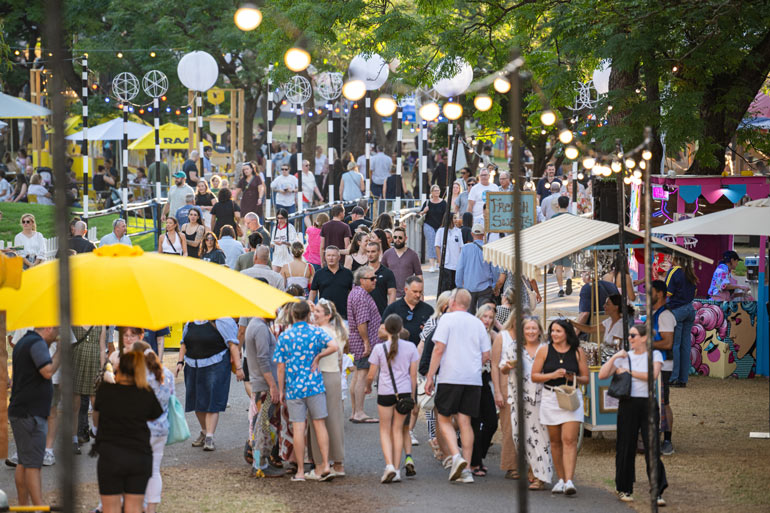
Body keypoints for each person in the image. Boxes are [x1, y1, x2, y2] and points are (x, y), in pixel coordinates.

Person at [424, 289, 491, 484]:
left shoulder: (447, 320)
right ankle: (467, 469)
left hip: (450, 376)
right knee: (465, 422)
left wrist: (430, 376)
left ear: (452, 302)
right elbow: (486, 354)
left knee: (444, 418)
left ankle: (456, 456)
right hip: (472, 378)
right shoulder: (477, 323)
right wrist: (474, 366)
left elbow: (438, 348)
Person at [598, 325, 668, 506]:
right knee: (625, 446)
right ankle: (624, 487)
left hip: (647, 404)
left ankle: (657, 491)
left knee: (652, 447)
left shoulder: (655, 355)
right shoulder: (624, 356)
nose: (629, 338)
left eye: (633, 335)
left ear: (644, 338)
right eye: (629, 335)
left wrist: (629, 372)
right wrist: (615, 357)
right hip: (628, 403)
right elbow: (602, 375)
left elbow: (652, 376)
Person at [273, 301, 338, 482]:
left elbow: (280, 366)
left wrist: (281, 389)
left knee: (298, 428)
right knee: (320, 424)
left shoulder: (285, 336)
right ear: (308, 315)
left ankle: (300, 471)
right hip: (314, 385)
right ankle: (325, 465)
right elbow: (334, 346)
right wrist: (319, 356)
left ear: (293, 315)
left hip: (294, 388)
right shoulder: (316, 331)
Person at [94, 347, 162, 513]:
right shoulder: (145, 392)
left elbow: (96, 420)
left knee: (110, 508)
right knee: (134, 508)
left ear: (118, 367)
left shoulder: (105, 390)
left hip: (110, 455)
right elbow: (154, 416)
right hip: (139, 455)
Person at [531, 319, 589, 495]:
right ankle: (561, 479)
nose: (554, 334)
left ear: (566, 333)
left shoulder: (578, 352)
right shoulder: (544, 350)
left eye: (558, 331)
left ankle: (569, 481)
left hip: (570, 397)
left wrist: (573, 378)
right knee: (555, 441)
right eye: (552, 331)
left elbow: (586, 378)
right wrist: (552, 375)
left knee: (569, 439)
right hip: (550, 396)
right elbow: (534, 376)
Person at [8, 326, 61, 509]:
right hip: (31, 414)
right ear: (48, 328)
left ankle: (24, 506)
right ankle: (38, 507)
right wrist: (60, 352)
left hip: (22, 411)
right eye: (57, 330)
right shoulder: (37, 344)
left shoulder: (24, 341)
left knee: (24, 462)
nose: (57, 334)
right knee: (33, 465)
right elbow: (47, 371)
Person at [499, 316, 552, 488]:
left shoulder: (546, 348)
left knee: (540, 438)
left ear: (540, 330)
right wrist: (508, 367)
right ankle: (531, 466)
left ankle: (540, 476)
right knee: (519, 437)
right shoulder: (513, 347)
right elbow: (503, 368)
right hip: (518, 399)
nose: (530, 332)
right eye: (527, 328)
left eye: (534, 328)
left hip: (541, 398)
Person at [366, 314, 419, 483]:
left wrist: (368, 386)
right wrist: (412, 397)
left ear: (386, 329)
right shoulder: (411, 347)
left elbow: (371, 374)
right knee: (398, 430)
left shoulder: (379, 348)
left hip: (385, 392)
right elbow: (413, 375)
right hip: (404, 393)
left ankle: (388, 465)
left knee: (384, 430)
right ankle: (396, 469)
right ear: (401, 328)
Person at [176, 318, 242, 451]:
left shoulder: (222, 321)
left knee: (213, 401)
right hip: (193, 366)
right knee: (197, 402)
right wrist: (180, 362)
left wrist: (239, 368)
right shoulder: (190, 322)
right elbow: (184, 343)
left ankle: (209, 437)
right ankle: (205, 432)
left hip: (216, 366)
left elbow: (233, 345)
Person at [131, 341, 174, 513]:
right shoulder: (167, 374)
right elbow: (172, 396)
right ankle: (151, 508)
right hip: (161, 428)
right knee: (154, 470)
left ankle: (140, 504)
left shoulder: (137, 376)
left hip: (140, 429)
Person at [308, 300, 347, 477]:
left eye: (318, 311)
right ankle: (338, 463)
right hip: (335, 375)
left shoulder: (321, 332)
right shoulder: (339, 330)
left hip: (322, 375)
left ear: (328, 315)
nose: (314, 314)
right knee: (335, 418)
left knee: (318, 419)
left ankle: (321, 463)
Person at [244, 313, 285, 478]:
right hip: (265, 386)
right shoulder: (260, 328)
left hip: (263, 385)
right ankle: (260, 465)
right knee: (263, 426)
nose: (276, 313)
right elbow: (262, 359)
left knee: (263, 425)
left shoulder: (256, 325)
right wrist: (273, 386)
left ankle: (260, 463)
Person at [347, 266, 383, 423]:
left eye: (375, 278)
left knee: (357, 376)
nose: (375, 281)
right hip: (363, 343)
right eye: (372, 278)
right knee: (362, 375)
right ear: (362, 281)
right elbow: (362, 322)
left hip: (359, 341)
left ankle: (355, 412)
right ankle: (359, 413)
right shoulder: (361, 296)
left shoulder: (356, 293)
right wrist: (367, 343)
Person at [468, 304, 499, 476]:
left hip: (485, 379)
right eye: (484, 316)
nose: (487, 320)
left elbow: (506, 340)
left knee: (491, 422)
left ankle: (478, 456)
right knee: (475, 421)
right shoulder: (472, 333)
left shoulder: (492, 335)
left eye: (490, 317)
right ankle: (475, 462)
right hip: (472, 378)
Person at [650, 280, 677, 455]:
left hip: (663, 364)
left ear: (659, 294)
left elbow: (667, 343)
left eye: (650, 292)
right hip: (655, 363)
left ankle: (667, 441)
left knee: (663, 402)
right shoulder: (655, 313)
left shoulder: (665, 315)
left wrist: (646, 343)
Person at [455, 224, 506, 314]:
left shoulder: (465, 249)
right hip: (485, 287)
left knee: (469, 315)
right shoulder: (489, 249)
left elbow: (459, 269)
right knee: (484, 314)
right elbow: (495, 270)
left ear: (472, 234)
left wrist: (459, 285)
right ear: (484, 234)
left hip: (469, 287)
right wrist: (494, 286)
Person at [570, 294, 630, 362]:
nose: (604, 306)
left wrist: (596, 350)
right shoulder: (609, 321)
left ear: (616, 307)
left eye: (607, 304)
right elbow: (590, 329)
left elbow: (615, 348)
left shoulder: (620, 325)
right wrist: (572, 323)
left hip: (616, 360)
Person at [309, 246, 354, 319]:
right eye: (328, 255)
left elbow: (352, 292)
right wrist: (310, 307)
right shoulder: (319, 274)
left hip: (343, 315)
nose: (331, 258)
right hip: (324, 315)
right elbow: (313, 292)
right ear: (325, 257)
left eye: (333, 255)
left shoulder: (348, 273)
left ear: (339, 257)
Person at [574, 267, 620, 336]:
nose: (581, 275)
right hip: (612, 329)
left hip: (592, 331)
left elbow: (585, 314)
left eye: (583, 272)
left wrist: (575, 333)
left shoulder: (587, 288)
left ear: (588, 274)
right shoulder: (612, 286)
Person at [381, 227, 422, 299]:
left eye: (400, 237)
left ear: (405, 238)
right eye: (395, 237)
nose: (397, 239)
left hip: (408, 296)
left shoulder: (413, 255)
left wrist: (421, 294)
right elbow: (382, 273)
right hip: (390, 295)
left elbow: (419, 275)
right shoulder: (387, 254)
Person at [364, 241, 397, 315]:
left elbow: (392, 293)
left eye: (373, 251)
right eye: (368, 251)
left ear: (379, 252)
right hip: (364, 314)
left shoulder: (387, 273)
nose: (370, 254)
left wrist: (389, 312)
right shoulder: (361, 272)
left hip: (381, 314)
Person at [420, 185, 447, 273]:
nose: (437, 192)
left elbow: (446, 215)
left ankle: (438, 263)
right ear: (431, 192)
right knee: (431, 243)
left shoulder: (443, 203)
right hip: (429, 225)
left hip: (440, 226)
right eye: (435, 191)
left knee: (439, 244)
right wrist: (424, 211)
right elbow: (420, 214)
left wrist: (443, 225)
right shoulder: (427, 202)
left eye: (438, 190)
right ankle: (432, 265)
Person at [435, 213, 464, 295]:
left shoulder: (458, 231)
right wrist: (440, 261)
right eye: (454, 218)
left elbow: (461, 247)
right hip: (446, 264)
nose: (456, 220)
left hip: (456, 263)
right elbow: (437, 246)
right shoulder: (441, 231)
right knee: (445, 288)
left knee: (454, 288)